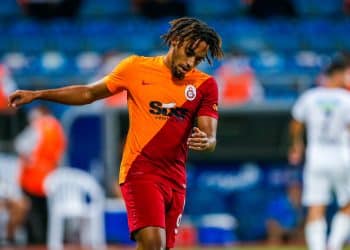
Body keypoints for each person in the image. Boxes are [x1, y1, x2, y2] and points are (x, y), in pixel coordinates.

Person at [8, 17, 223, 250]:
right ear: (176, 40)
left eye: (198, 59)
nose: (191, 62)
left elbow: (209, 136)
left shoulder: (206, 86)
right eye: (189, 52)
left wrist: (206, 140)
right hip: (139, 171)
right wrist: (39, 94)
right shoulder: (134, 68)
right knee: (152, 243)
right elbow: (89, 93)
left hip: (175, 179)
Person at [288, 57, 350, 250]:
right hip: (341, 155)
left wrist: (297, 145)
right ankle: (334, 244)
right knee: (347, 203)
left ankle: (317, 247)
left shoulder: (310, 97)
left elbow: (296, 122)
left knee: (316, 206)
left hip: (316, 157)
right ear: (338, 75)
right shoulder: (345, 98)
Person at [14, 105, 66, 244]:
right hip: (49, 179)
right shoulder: (58, 128)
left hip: (31, 178)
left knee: (32, 213)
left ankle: (34, 242)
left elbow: (20, 145)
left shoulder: (38, 126)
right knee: (46, 213)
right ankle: (47, 241)